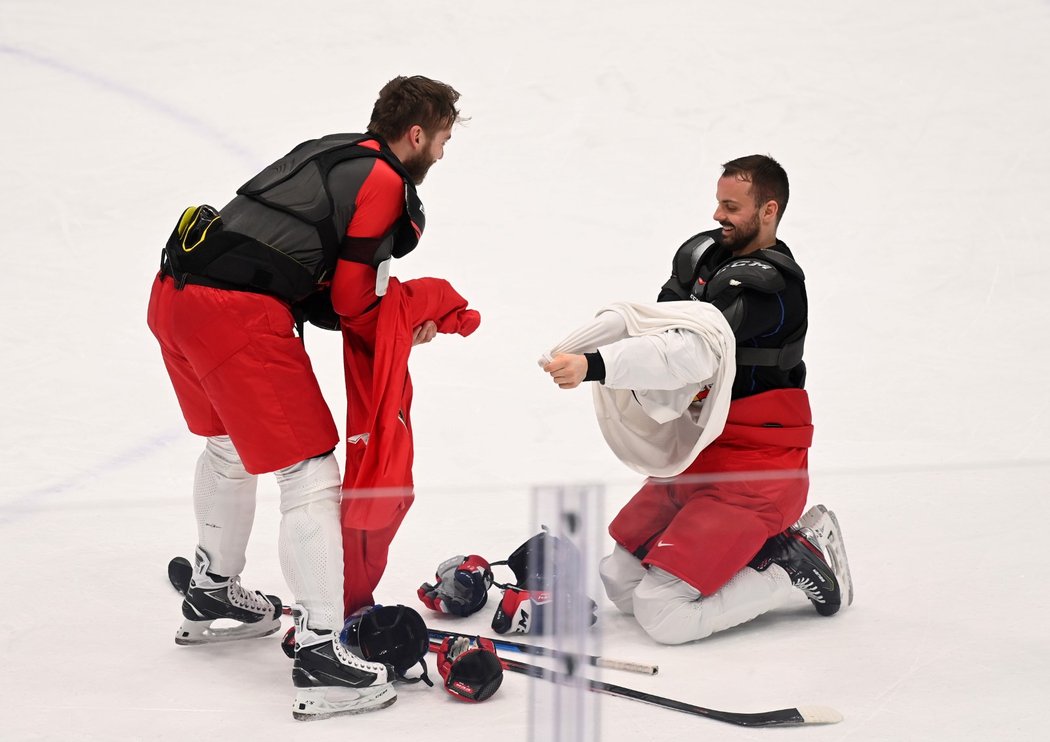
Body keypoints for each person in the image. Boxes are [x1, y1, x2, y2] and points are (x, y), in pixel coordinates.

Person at [147, 75, 477, 720]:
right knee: (309, 475)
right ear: (416, 134)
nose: (439, 154)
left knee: (229, 447)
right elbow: (354, 300)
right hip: (237, 317)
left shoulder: (332, 150)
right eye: (440, 141)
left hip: (174, 296)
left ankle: (213, 589)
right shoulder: (385, 183)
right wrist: (405, 317)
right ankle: (325, 650)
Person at [542, 155, 853, 644]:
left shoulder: (770, 290)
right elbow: (654, 324)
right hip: (702, 451)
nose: (717, 216)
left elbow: (688, 356)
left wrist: (594, 368)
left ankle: (790, 566)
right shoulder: (705, 259)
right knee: (621, 582)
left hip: (758, 469)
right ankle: (745, 552)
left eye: (731, 206)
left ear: (768, 211)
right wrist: (583, 342)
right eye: (717, 202)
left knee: (663, 613)